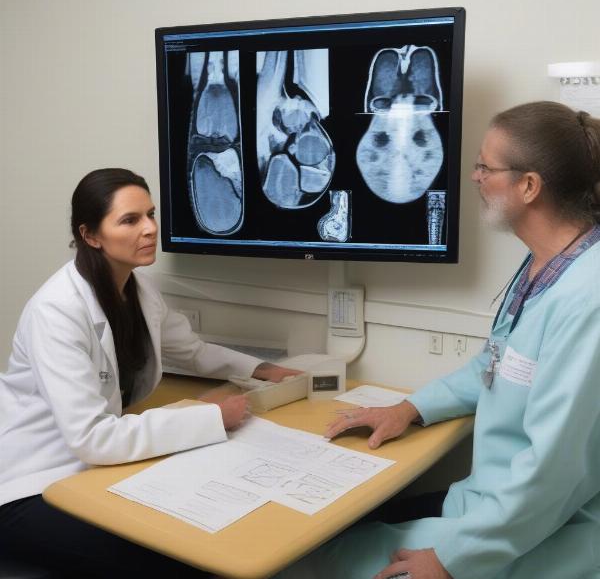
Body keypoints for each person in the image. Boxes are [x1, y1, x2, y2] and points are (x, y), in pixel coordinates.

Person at [275, 101, 600, 579]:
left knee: (305, 563)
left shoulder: (587, 297)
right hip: (494, 509)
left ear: (529, 186)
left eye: (485, 167)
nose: (474, 178)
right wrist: (410, 409)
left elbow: (553, 472)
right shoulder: (550, 262)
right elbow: (496, 364)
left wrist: (452, 561)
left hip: (547, 535)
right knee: (322, 542)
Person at [0, 168, 299, 577]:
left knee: (198, 531)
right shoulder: (56, 312)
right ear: (91, 235)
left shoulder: (138, 288)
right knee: (167, 557)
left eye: (151, 214)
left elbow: (190, 351)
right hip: (30, 483)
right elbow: (92, 439)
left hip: (90, 469)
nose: (150, 229)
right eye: (130, 220)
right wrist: (210, 416)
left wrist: (262, 369)